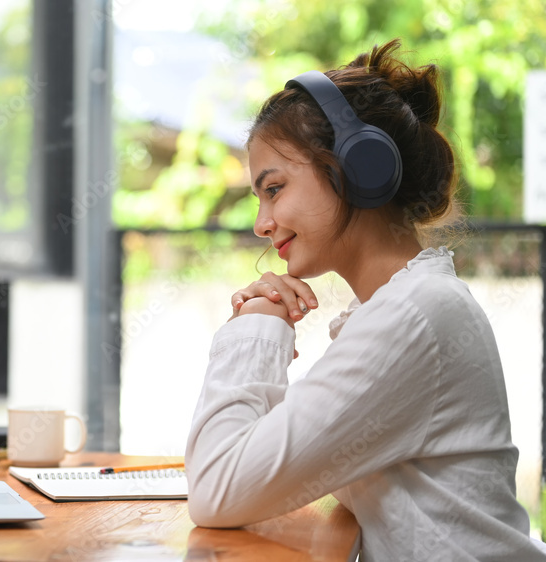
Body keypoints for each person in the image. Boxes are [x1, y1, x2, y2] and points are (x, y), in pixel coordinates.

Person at [185, 39, 546, 561]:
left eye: (275, 189)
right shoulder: (406, 306)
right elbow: (278, 452)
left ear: (359, 169)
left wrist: (257, 324)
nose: (262, 224)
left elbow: (217, 488)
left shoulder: (414, 317)